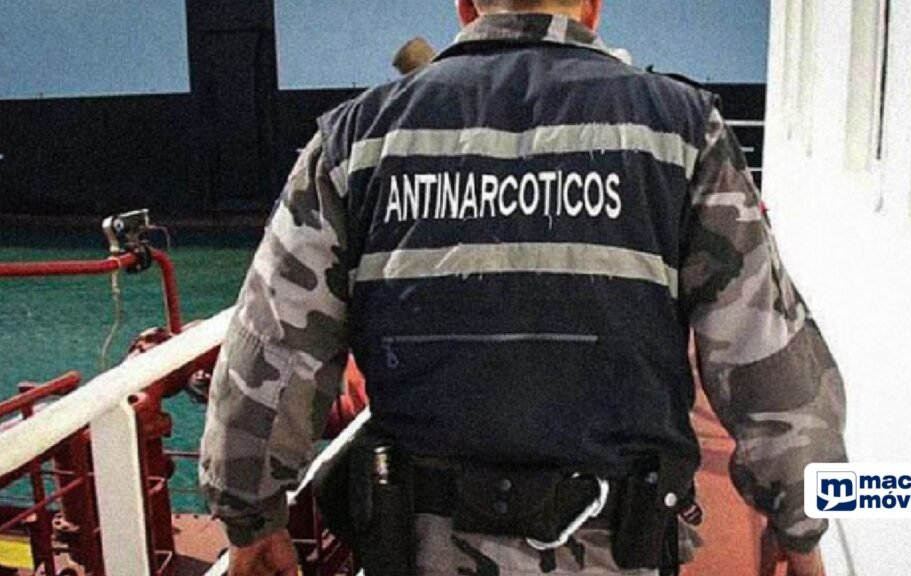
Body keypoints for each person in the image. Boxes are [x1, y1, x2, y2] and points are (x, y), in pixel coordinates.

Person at [198, 1, 848, 575]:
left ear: (465, 7)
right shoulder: (681, 130)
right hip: (617, 548)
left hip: (418, 548)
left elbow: (270, 354)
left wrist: (251, 522)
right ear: (592, 7)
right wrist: (801, 527)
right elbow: (767, 356)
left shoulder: (353, 140)